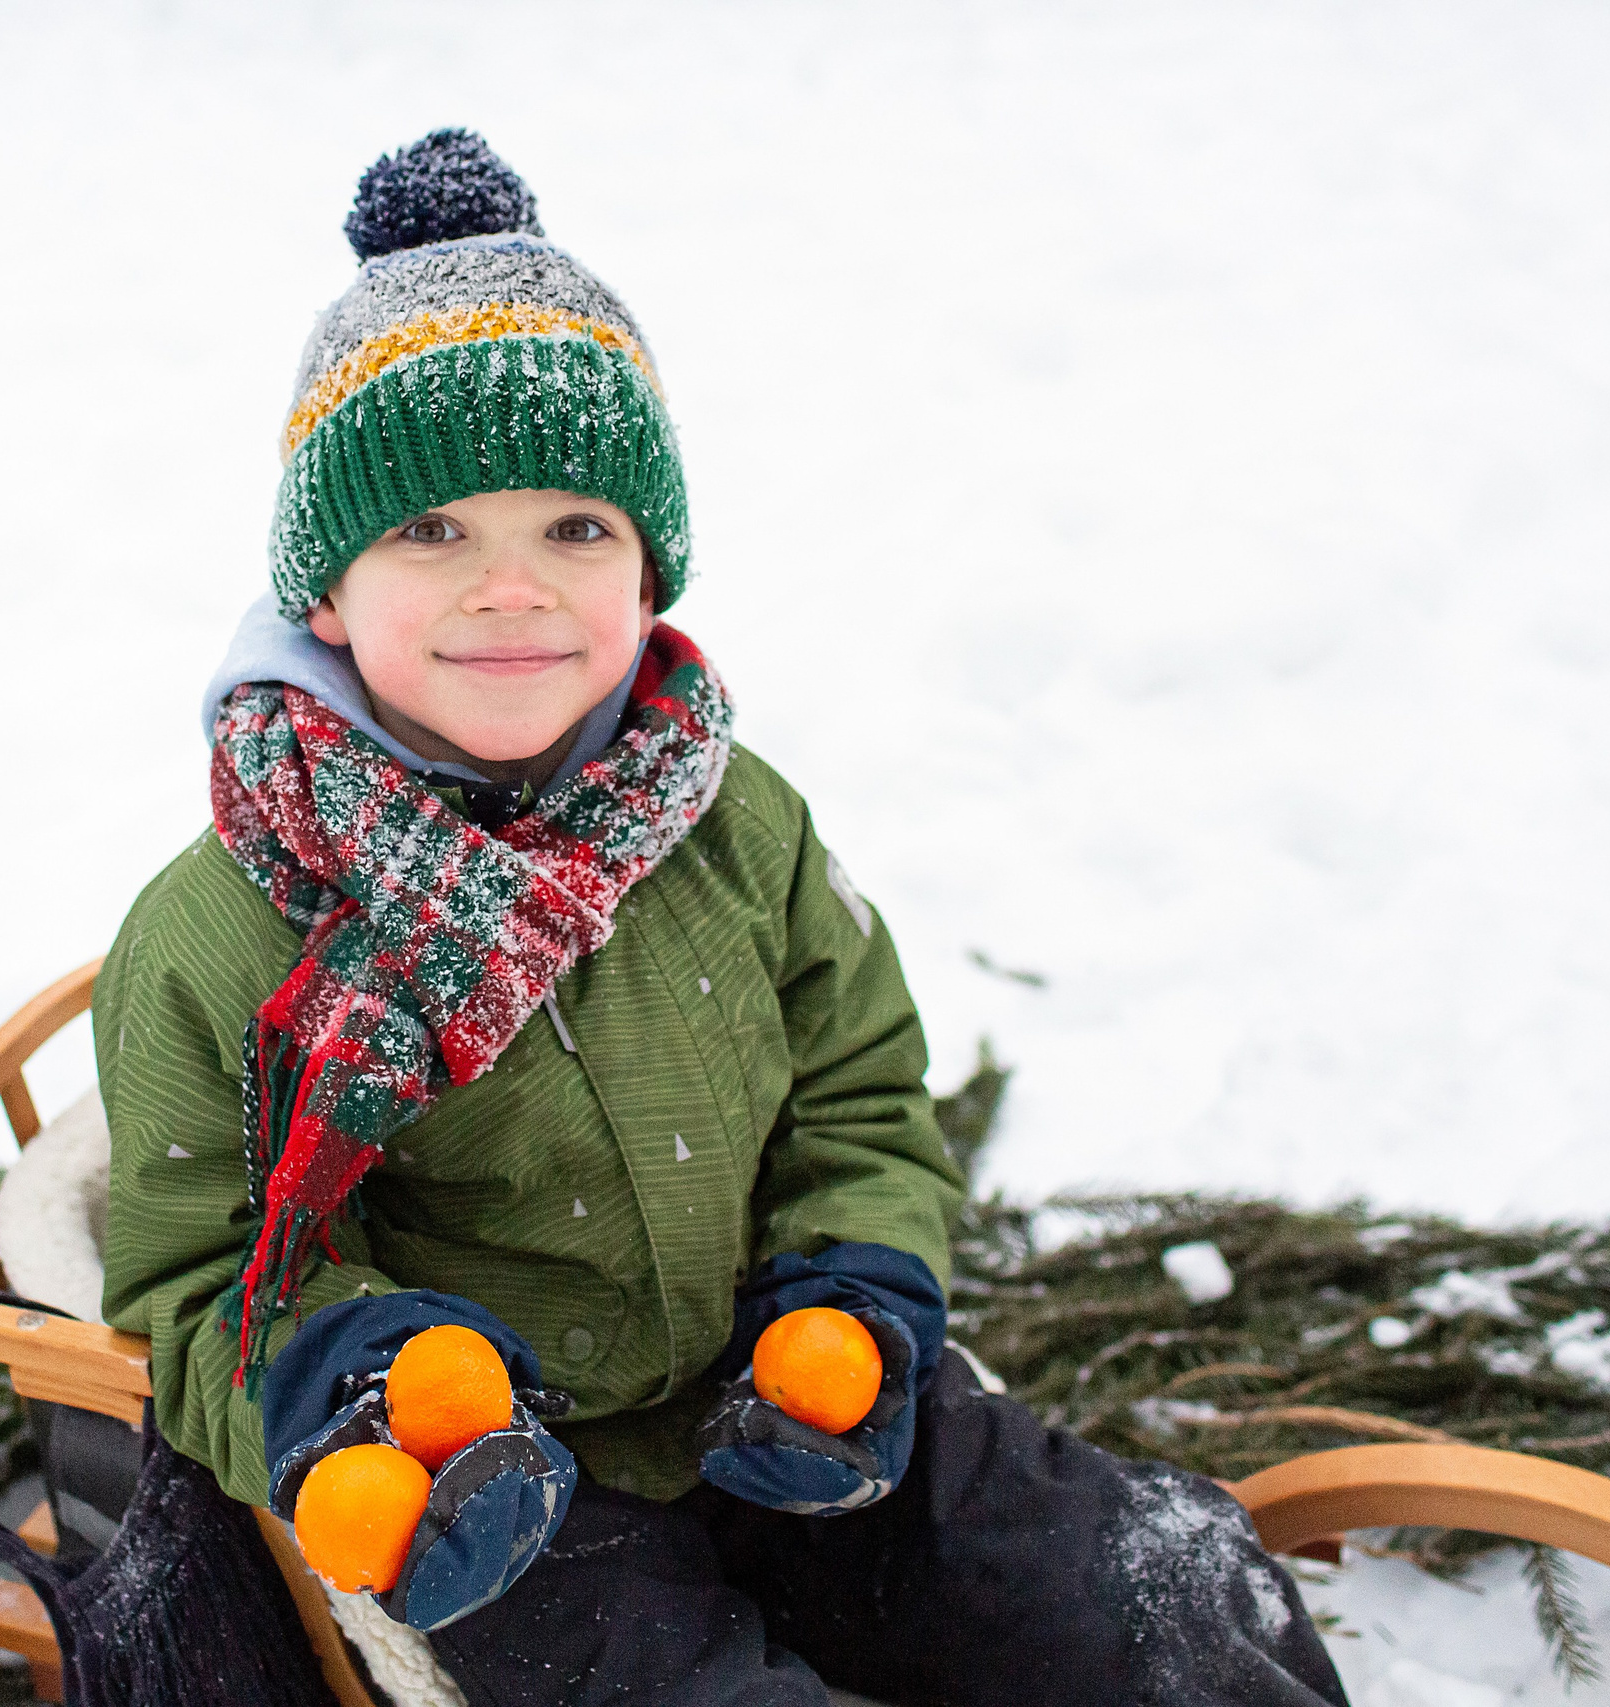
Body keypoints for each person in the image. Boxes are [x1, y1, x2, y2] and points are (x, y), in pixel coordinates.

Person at [92, 128, 1348, 1706]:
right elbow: (209, 1273)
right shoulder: (226, 930)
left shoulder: (726, 817)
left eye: (575, 529)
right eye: (431, 531)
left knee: (1164, 1601)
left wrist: (853, 1288)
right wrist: (367, 1393)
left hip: (782, 1401)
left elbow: (857, 1085)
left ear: (648, 570)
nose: (512, 587)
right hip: (522, 1505)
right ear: (321, 593)